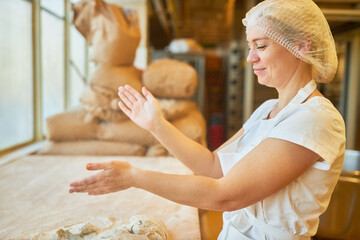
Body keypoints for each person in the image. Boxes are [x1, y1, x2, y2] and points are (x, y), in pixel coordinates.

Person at [69, 0, 346, 239]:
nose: (250, 58)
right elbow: (212, 166)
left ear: (300, 45)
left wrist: (134, 177)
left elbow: (224, 194)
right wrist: (157, 125)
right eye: (250, 46)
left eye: (260, 45)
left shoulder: (315, 120)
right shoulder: (268, 108)